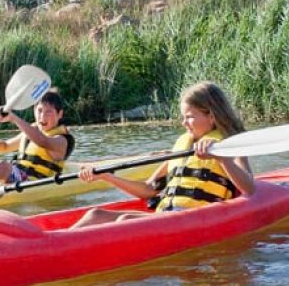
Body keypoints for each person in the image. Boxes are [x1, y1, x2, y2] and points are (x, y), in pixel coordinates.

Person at [71, 81, 255, 228]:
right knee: (96, 215)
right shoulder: (183, 148)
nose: (184, 123)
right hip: (167, 215)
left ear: (211, 116)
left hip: (195, 219)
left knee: (125, 220)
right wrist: (106, 176)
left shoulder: (229, 145)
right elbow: (148, 190)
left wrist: (221, 158)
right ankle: (50, 247)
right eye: (183, 117)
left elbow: (249, 188)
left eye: (189, 116)